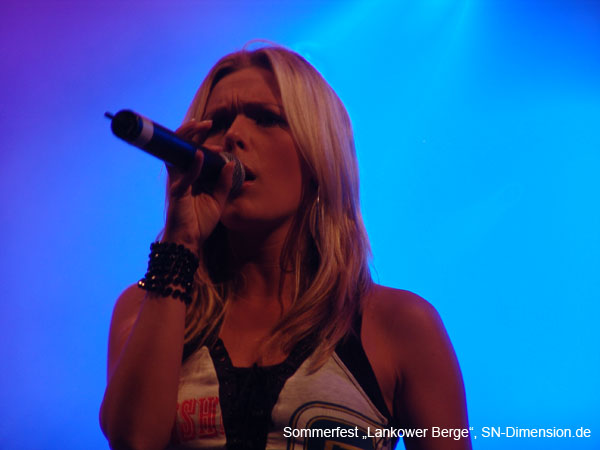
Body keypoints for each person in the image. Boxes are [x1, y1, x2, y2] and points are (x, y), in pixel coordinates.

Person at [99, 45, 471, 450]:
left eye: (266, 118)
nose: (234, 135)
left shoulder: (400, 326)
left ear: (319, 156)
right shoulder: (146, 309)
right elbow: (134, 441)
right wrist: (181, 242)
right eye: (219, 122)